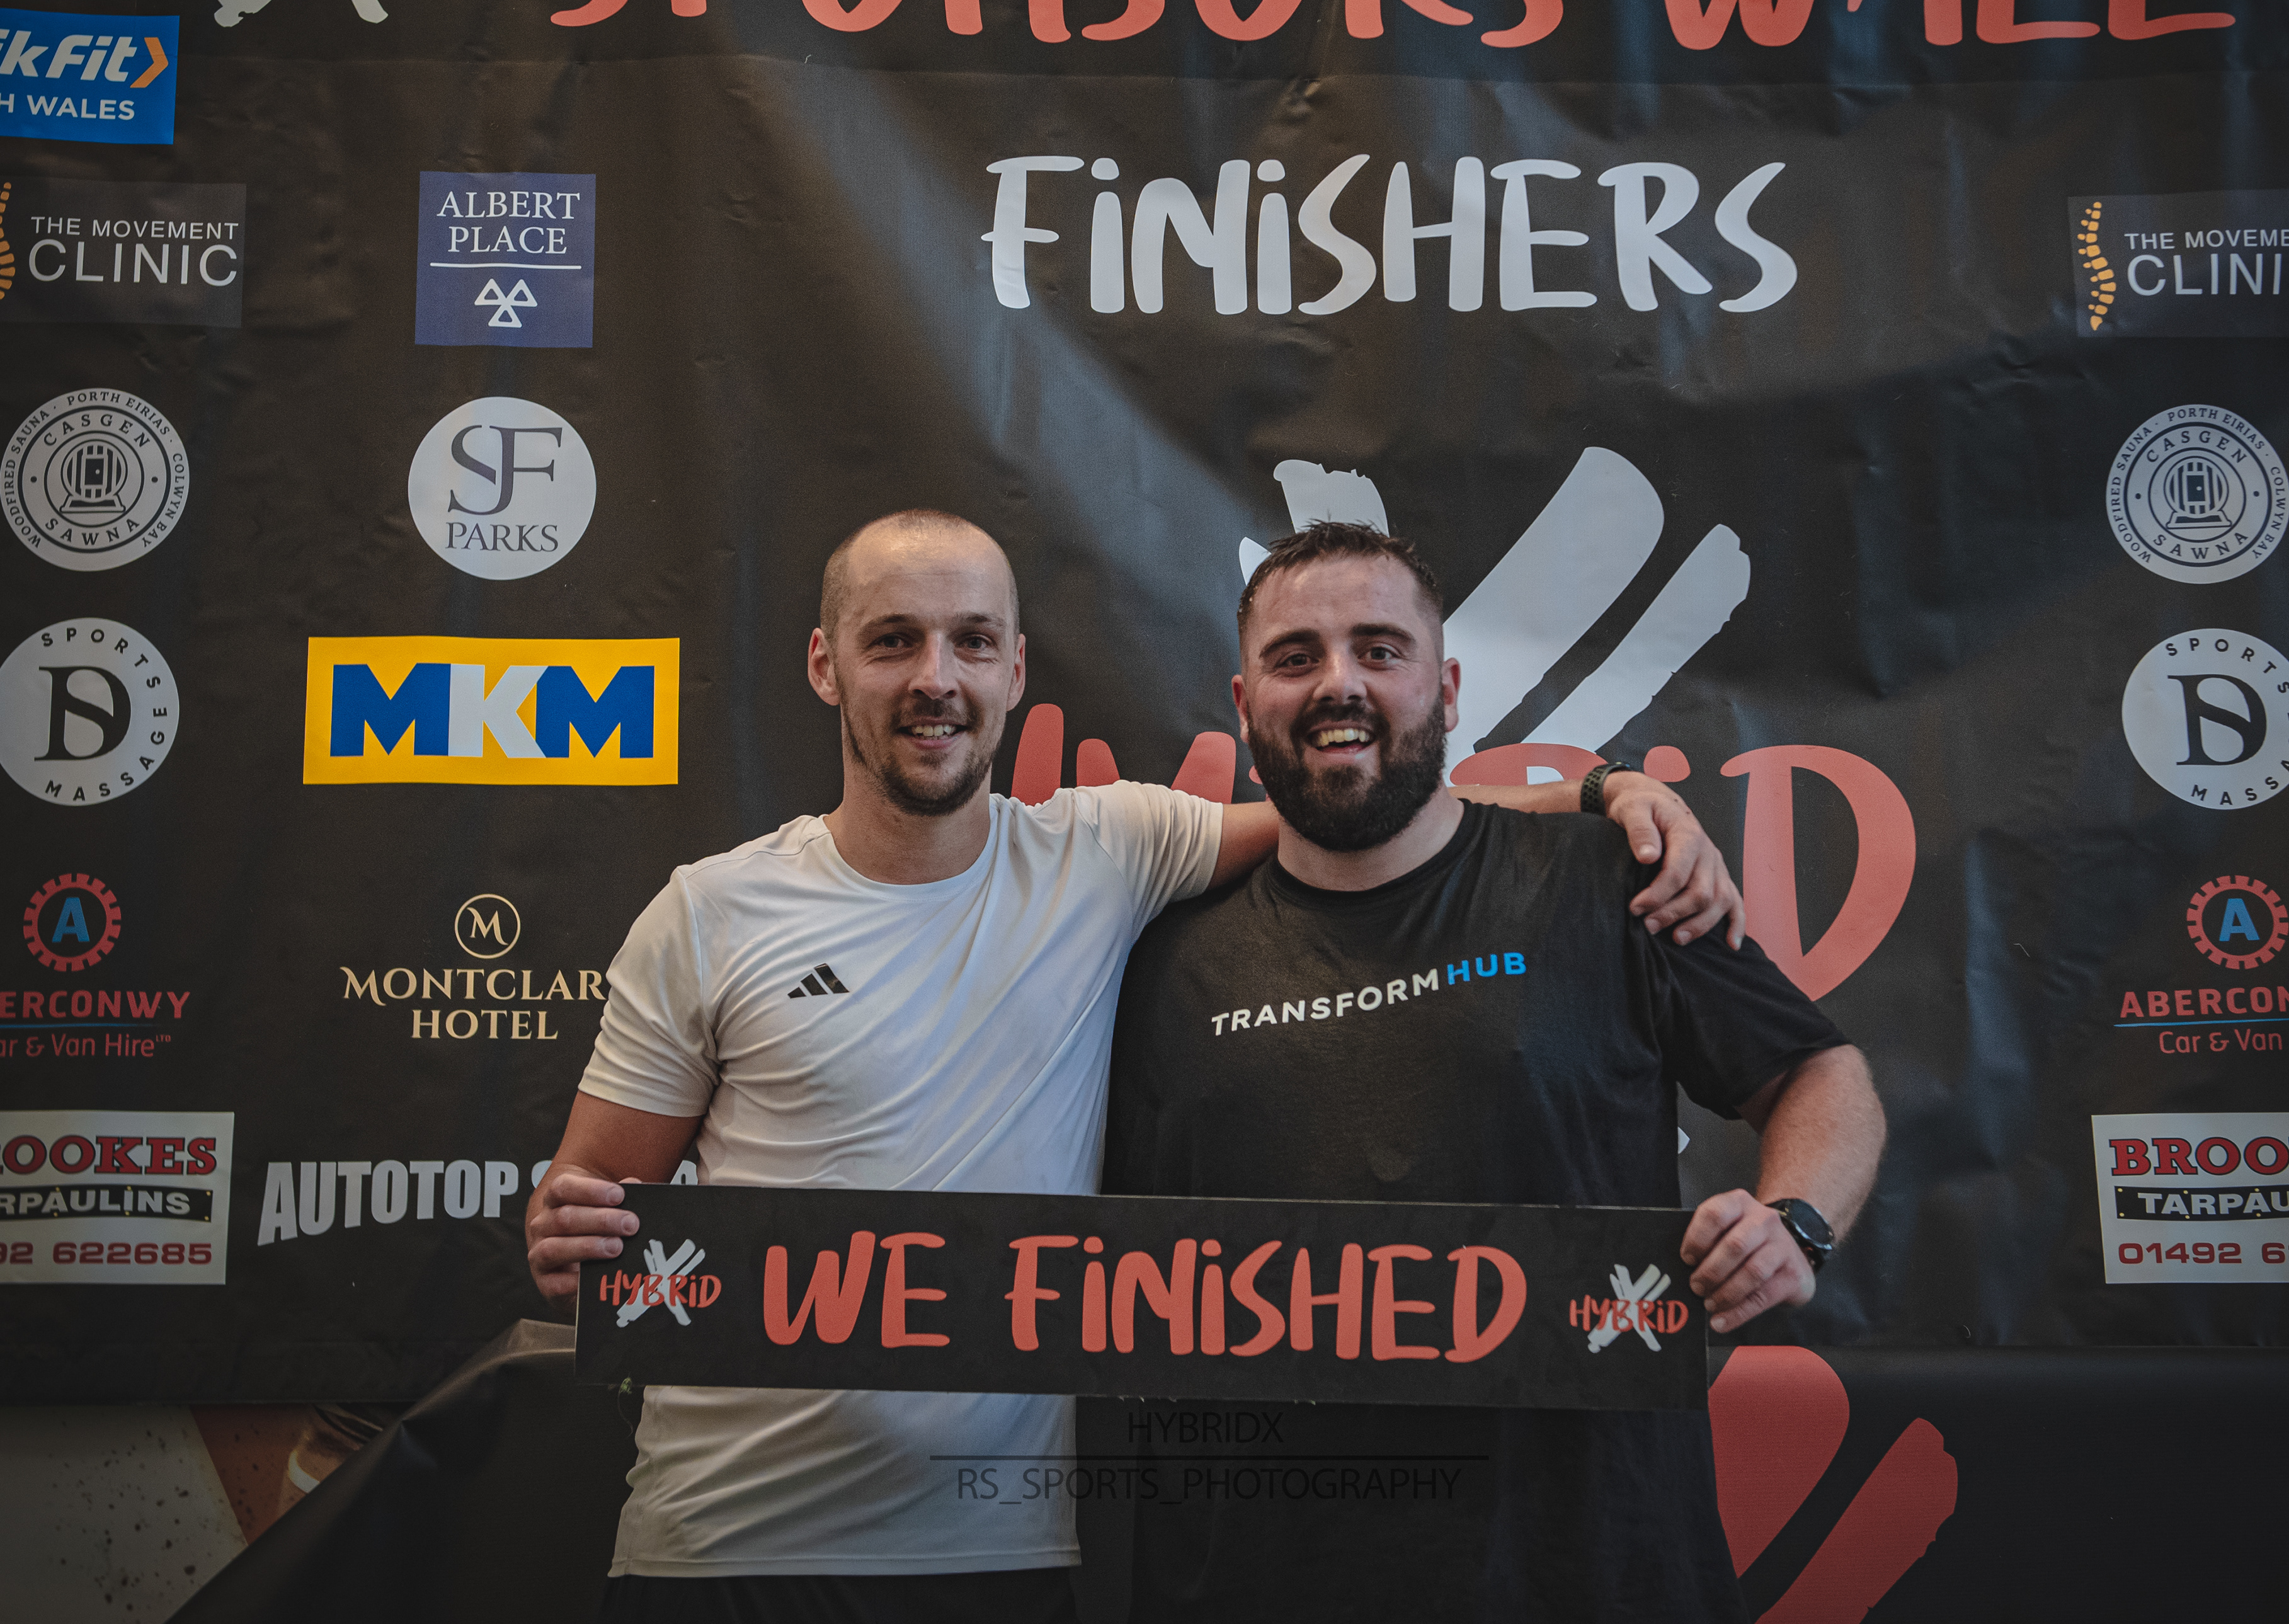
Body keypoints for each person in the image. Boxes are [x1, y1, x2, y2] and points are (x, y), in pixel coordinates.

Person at [522, 508, 1744, 1623]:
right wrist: (571, 1240)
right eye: (892, 641)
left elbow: (1369, 803)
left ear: (1014, 672)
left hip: (998, 1555)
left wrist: (1607, 791)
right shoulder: (709, 913)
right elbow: (592, 1230)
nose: (935, 676)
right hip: (722, 1546)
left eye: (971, 641)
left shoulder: (1108, 850)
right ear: (825, 665)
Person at [1103, 519, 1887, 1622]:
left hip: (1591, 1565)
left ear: (1449, 688)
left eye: (1380, 650)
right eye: (1295, 657)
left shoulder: (1613, 880)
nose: (1339, 684)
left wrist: (1795, 1223)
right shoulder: (1157, 952)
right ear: (1244, 705)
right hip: (1258, 1575)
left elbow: (1818, 1073)